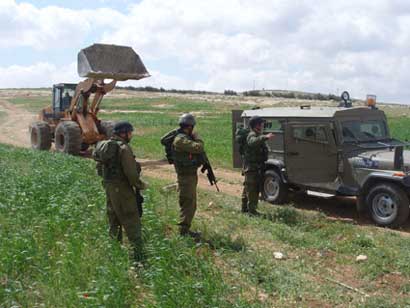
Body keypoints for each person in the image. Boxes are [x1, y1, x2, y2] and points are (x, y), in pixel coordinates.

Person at [97, 121, 146, 261]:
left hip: (109, 187)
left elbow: (100, 169)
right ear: (124, 133)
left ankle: (114, 253)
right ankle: (138, 256)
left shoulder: (105, 146)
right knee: (131, 219)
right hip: (123, 189)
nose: (131, 135)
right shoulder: (123, 148)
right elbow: (131, 173)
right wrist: (140, 185)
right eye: (130, 132)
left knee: (114, 220)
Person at [172, 113, 204, 238]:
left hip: (189, 176)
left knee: (190, 203)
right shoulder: (180, 140)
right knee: (188, 203)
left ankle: (185, 229)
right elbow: (198, 148)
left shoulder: (184, 137)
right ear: (190, 127)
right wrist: (198, 138)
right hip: (185, 177)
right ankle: (183, 231)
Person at [241, 116, 274, 215]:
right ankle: (252, 211)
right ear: (256, 125)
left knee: (248, 187)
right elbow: (252, 142)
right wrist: (265, 137)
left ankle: (244, 208)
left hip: (255, 167)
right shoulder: (252, 135)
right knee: (252, 189)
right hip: (251, 168)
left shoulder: (257, 134)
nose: (262, 125)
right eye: (260, 124)